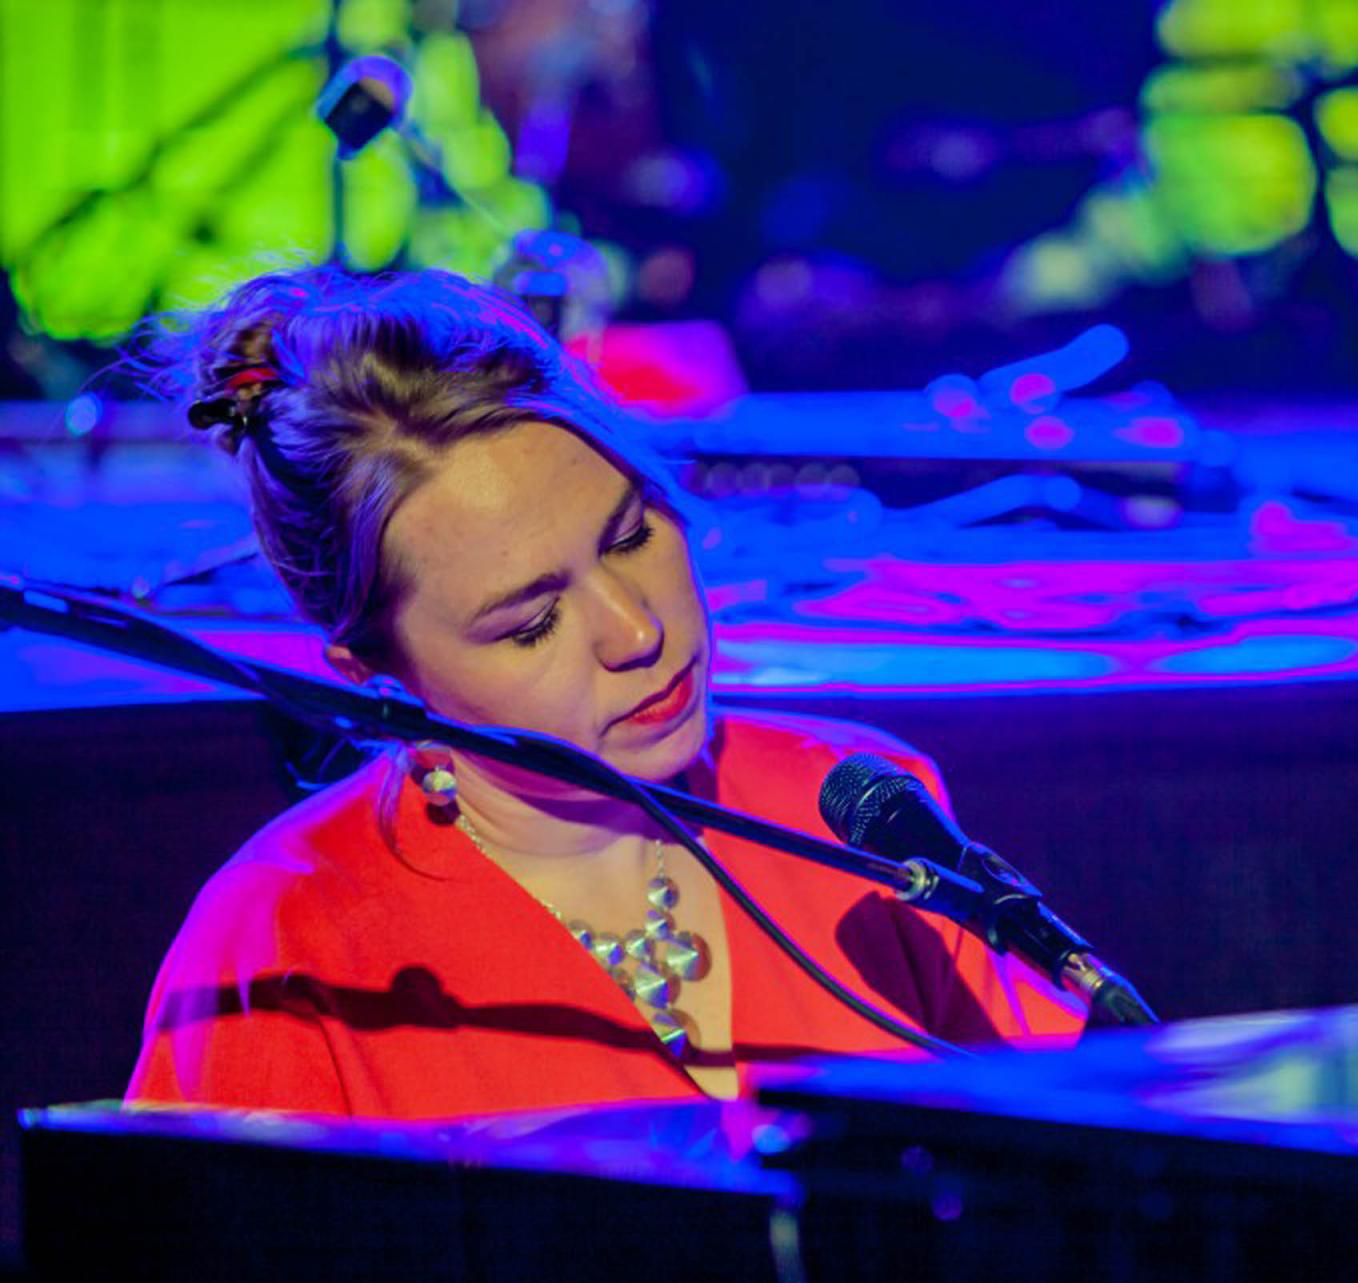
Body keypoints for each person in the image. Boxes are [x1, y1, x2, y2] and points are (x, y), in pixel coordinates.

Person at [124, 266, 1084, 1117]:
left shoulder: (855, 806)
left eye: (631, 536)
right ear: (378, 678)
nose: (638, 632)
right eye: (531, 622)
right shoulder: (286, 939)